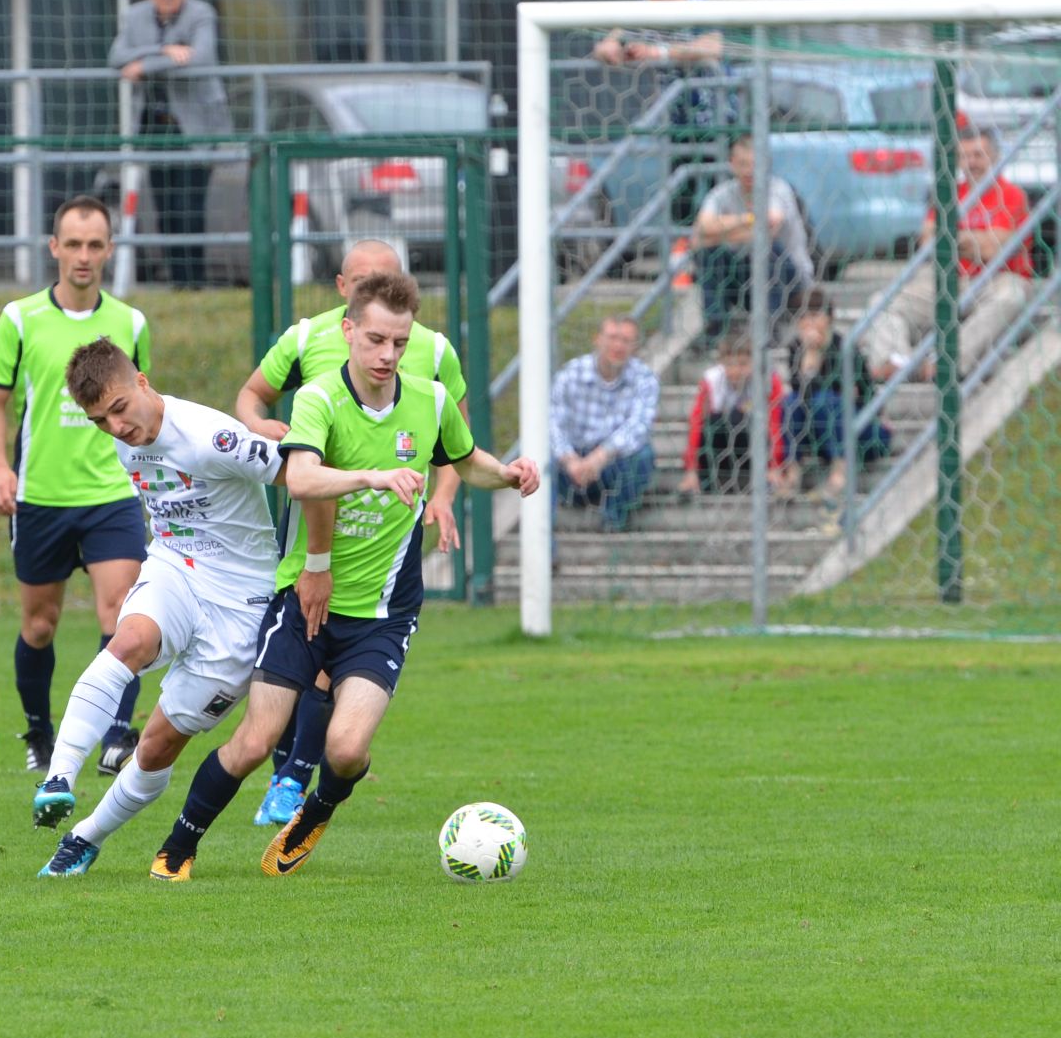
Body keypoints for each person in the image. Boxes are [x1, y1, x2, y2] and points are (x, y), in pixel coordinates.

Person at [145, 271, 539, 881]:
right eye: (376, 339)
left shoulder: (430, 401)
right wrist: (372, 479)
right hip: (304, 601)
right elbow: (302, 479)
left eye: (400, 342)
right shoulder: (319, 398)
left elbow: (466, 461)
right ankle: (178, 847)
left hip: (383, 614)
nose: (388, 355)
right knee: (255, 742)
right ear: (349, 330)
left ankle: (316, 811)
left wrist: (508, 474)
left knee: (348, 750)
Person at [232, 238, 468, 828]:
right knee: (301, 663)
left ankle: (292, 778)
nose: (387, 350)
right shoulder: (306, 339)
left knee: (333, 670)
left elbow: (455, 442)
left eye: (390, 279)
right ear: (344, 290)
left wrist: (443, 497)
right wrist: (265, 427)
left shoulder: (432, 350)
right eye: (365, 281)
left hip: (380, 536)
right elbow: (252, 396)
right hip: (314, 527)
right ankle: (288, 773)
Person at [33, 340, 285, 877]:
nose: (116, 428)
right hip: (176, 567)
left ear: (143, 382)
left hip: (242, 602)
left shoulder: (211, 438)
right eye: (100, 421)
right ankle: (58, 777)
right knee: (129, 640)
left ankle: (86, 837)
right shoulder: (126, 441)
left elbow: (301, 474)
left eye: (120, 408)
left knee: (157, 745)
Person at [0, 196, 151, 775]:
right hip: (41, 497)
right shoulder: (20, 318)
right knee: (40, 624)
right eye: (72, 244)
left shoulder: (131, 324)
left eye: (94, 244)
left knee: (122, 615)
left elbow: (143, 407)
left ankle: (117, 737)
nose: (83, 255)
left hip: (111, 495)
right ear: (54, 247)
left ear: (109, 250)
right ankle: (39, 733)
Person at [862, 119, 1034, 382]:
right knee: (881, 302)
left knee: (1011, 296)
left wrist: (951, 238)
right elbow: (928, 241)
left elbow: (996, 248)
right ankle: (896, 363)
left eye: (978, 155)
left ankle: (947, 363)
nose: (972, 163)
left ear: (994, 156)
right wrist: (974, 242)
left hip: (998, 280)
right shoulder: (949, 193)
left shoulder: (1011, 195)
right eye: (965, 156)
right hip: (950, 279)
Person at [107, 0, 233, 288]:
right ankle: (177, 281)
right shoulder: (135, 16)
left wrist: (143, 65)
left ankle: (195, 282)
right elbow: (116, 57)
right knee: (164, 205)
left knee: (189, 204)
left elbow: (199, 58)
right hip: (155, 126)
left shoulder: (201, 14)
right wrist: (164, 50)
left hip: (195, 126)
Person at [590, 0, 731, 227]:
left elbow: (713, 46)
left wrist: (659, 52)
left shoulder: (699, 7)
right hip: (676, 124)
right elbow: (608, 42)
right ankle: (684, 252)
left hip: (718, 122)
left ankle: (715, 251)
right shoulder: (645, 10)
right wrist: (611, 50)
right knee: (681, 203)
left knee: (718, 198)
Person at [689, 135, 810, 344]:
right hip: (744, 278)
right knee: (709, 253)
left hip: (788, 281)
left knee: (768, 250)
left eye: (754, 164)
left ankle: (768, 329)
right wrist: (751, 219)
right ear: (731, 163)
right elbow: (700, 231)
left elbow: (770, 227)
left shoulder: (778, 189)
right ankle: (715, 327)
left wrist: (719, 232)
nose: (748, 171)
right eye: (742, 164)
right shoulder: (722, 193)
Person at [780, 288, 890, 511]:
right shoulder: (796, 349)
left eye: (815, 315)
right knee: (791, 402)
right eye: (802, 317)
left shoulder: (844, 347)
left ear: (829, 318)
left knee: (826, 401)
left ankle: (840, 473)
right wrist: (810, 356)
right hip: (820, 434)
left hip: (859, 431)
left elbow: (863, 394)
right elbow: (801, 394)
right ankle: (792, 473)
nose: (809, 323)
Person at [550, 316, 659, 533]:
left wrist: (600, 456)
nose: (618, 346)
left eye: (626, 340)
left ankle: (613, 520)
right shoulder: (571, 373)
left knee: (644, 456)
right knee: (538, 458)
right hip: (571, 466)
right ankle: (545, 537)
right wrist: (570, 460)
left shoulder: (644, 378)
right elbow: (551, 421)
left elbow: (640, 425)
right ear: (597, 339)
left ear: (635, 346)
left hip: (613, 465)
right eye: (612, 338)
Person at [675, 330, 786, 497]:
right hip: (722, 448)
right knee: (713, 422)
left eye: (742, 364)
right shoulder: (711, 380)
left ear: (754, 362)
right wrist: (691, 469)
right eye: (729, 364)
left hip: (754, 446)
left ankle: (765, 481)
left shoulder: (769, 381)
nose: (735, 371)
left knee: (742, 417)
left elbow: (775, 424)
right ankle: (702, 482)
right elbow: (696, 423)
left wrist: (775, 466)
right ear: (721, 363)